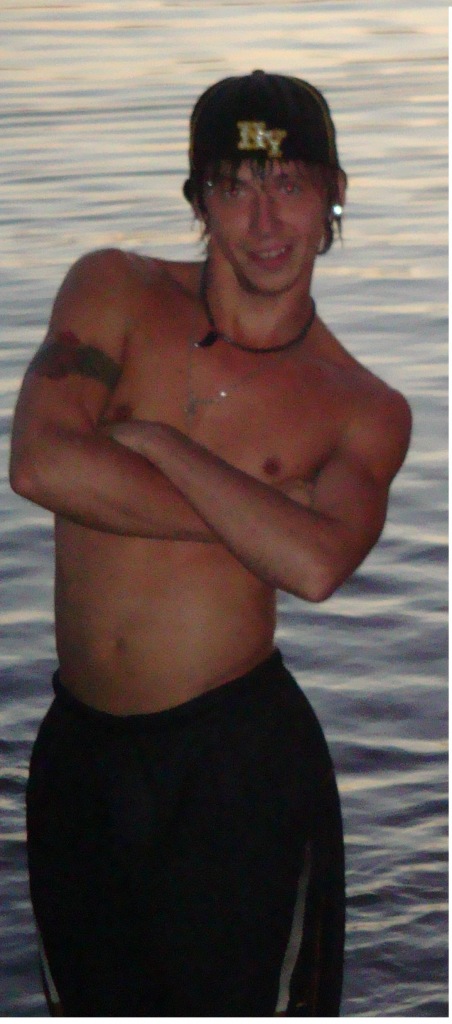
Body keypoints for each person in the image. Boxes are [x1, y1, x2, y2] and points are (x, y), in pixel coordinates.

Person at [10, 70, 411, 1017]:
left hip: (239, 770)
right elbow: (39, 464)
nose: (265, 221)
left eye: (290, 184)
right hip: (78, 759)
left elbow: (316, 565)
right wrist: (260, 516)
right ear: (199, 201)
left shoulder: (362, 406)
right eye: (235, 187)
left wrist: (157, 444)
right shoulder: (112, 288)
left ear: (334, 192)